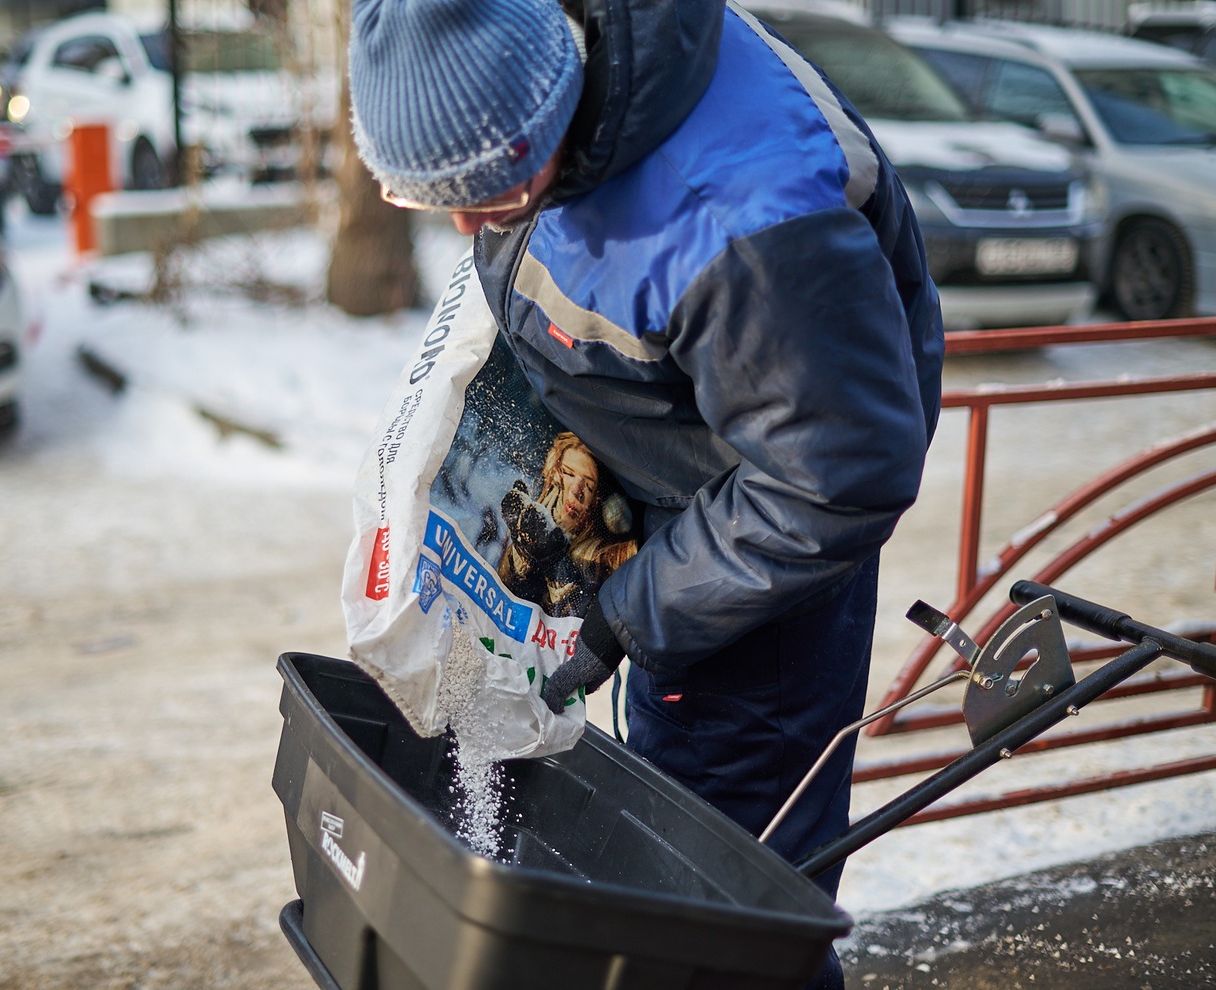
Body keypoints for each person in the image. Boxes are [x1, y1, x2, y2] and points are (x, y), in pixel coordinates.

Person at [348, 2, 945, 986]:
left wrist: (633, 612)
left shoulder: (744, 224)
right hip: (664, 501)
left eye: (493, 191)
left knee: (720, 923)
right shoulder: (545, 74)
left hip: (756, 582)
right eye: (426, 198)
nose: (464, 225)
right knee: (660, 891)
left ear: (554, 105)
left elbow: (833, 477)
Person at [498, 431, 638, 617]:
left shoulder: (606, 558)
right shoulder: (533, 520)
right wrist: (522, 551)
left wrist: (556, 566)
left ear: (596, 502)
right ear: (552, 475)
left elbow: (576, 621)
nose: (576, 490)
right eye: (569, 474)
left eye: (588, 487)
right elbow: (505, 600)